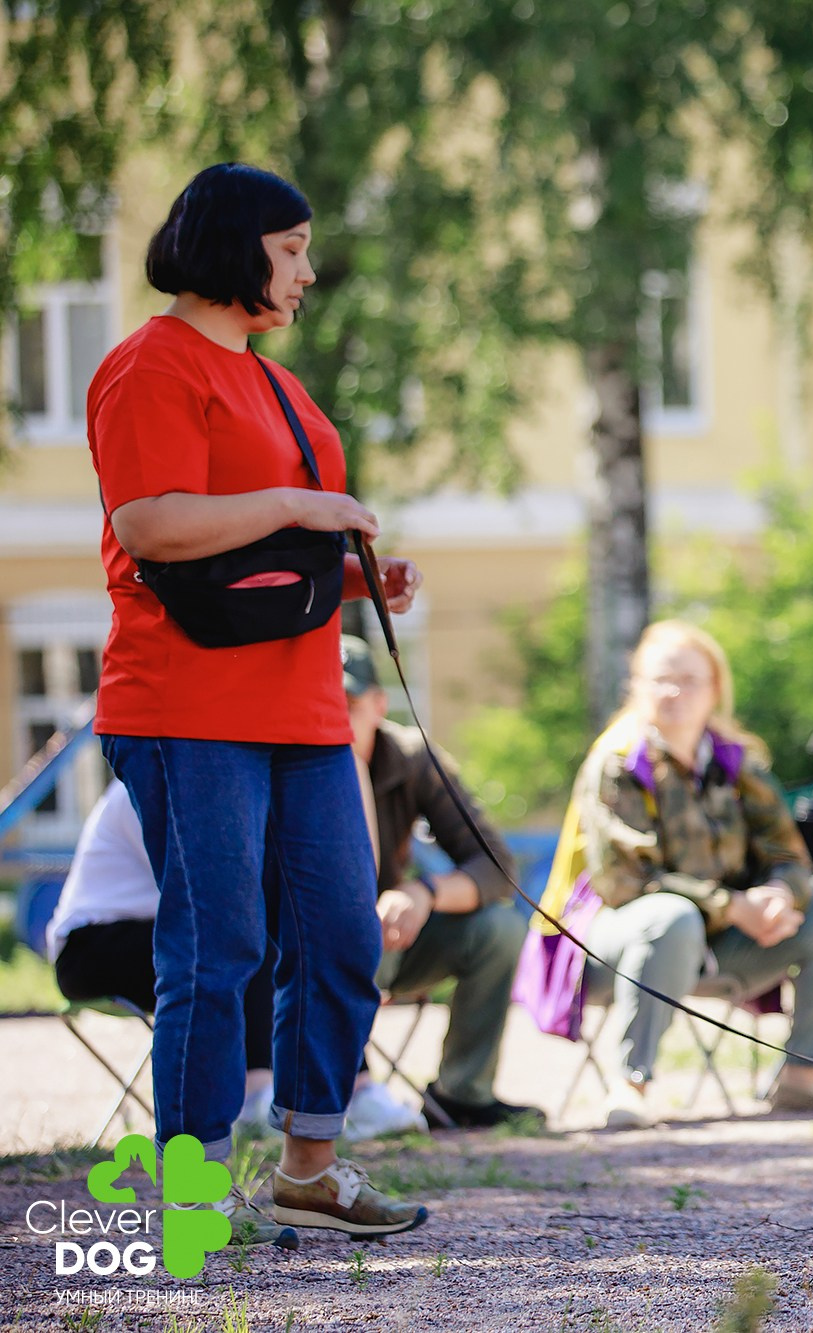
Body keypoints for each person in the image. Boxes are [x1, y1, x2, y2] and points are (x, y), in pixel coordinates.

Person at [87, 162, 428, 1242]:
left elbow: (279, 549)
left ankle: (309, 1166)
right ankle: (190, 1195)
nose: (306, 273)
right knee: (215, 948)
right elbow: (149, 524)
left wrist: (364, 574)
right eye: (290, 251)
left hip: (305, 708)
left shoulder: (279, 385)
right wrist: (296, 500)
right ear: (234, 246)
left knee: (336, 933)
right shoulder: (149, 366)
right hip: (185, 706)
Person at [536, 621, 813, 1127]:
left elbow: (788, 853)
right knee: (671, 915)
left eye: (689, 680)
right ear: (637, 686)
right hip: (613, 944)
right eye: (660, 679)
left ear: (715, 690)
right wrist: (732, 905)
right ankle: (631, 1085)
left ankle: (802, 1076)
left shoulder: (737, 764)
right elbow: (628, 881)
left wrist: (779, 893)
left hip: (719, 940)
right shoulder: (619, 762)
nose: (674, 691)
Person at [44, 780, 423, 1143]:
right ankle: (255, 1094)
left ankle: (354, 1090)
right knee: (246, 931)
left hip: (161, 933)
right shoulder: (151, 781)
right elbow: (201, 884)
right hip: (90, 947)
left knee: (289, 928)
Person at [341, 636, 539, 1130]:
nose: (334, 716)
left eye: (346, 703)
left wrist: (422, 893)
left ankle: (461, 1094)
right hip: (308, 952)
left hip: (393, 938)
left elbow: (496, 868)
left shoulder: (410, 756)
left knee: (499, 927)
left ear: (378, 705)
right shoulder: (280, 760)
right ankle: (326, 1099)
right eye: (319, 703)